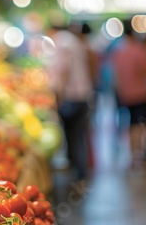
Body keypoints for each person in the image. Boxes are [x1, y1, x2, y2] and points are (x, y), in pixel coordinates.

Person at [46, 16, 95, 181]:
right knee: (78, 135)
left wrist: (58, 96)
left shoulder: (62, 42)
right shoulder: (73, 40)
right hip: (82, 94)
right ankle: (80, 172)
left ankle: (79, 173)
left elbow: (62, 71)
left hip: (71, 96)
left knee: (73, 136)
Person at [111, 19, 146, 168]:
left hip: (126, 94)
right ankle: (144, 152)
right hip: (142, 94)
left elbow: (116, 76)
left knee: (132, 126)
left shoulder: (119, 52)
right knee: (143, 125)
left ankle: (134, 155)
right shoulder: (140, 51)